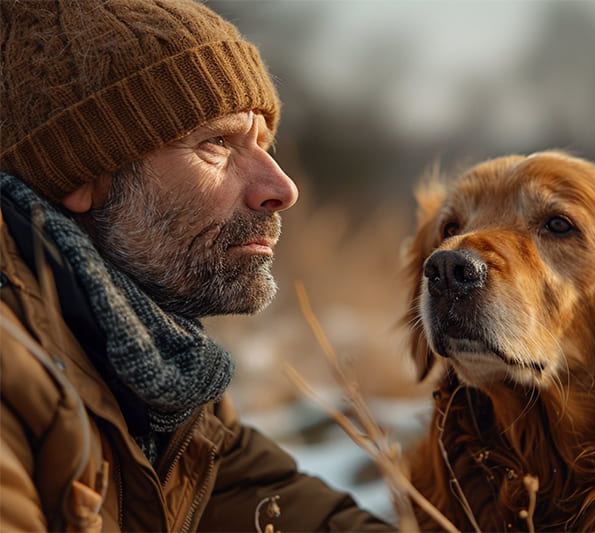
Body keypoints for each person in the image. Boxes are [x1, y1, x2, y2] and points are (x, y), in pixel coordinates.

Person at [0, 1, 393, 531]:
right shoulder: (16, 370)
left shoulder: (155, 368)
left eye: (263, 144)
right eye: (217, 143)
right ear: (83, 174)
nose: (282, 188)